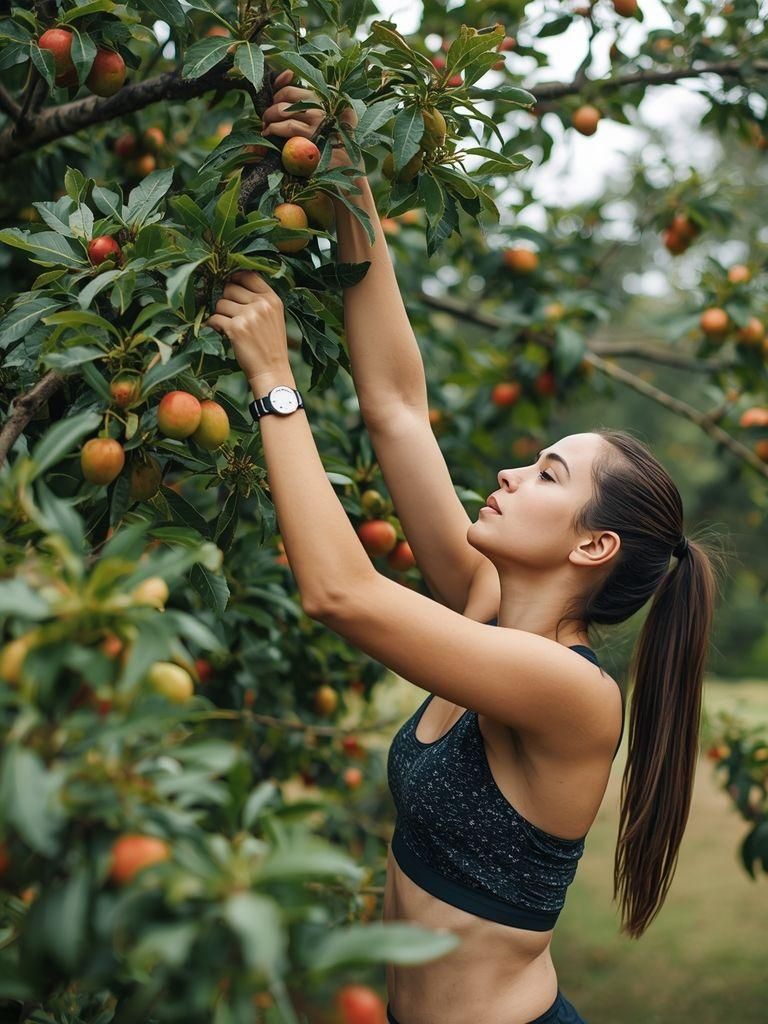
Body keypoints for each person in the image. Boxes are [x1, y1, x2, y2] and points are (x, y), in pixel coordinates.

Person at [248, 72, 725, 1024]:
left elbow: (341, 593)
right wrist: (342, 168)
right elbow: (395, 404)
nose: (509, 475)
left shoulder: (573, 693)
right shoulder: (480, 597)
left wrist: (275, 384)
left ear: (593, 545)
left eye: (546, 475)